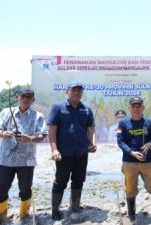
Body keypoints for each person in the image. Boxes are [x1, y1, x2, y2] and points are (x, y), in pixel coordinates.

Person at [0, 88, 47, 224]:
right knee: (0, 190)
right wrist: (3, 133)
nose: (25, 99)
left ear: (32, 100)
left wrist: (31, 138)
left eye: (29, 97)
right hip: (6, 159)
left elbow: (42, 135)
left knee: (25, 190)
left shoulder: (38, 116)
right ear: (18, 97)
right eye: (23, 96)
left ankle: (24, 216)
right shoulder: (6, 112)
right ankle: (0, 218)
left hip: (26, 161)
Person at [47, 82, 97, 220]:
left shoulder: (86, 109)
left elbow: (91, 129)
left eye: (79, 90)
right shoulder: (57, 108)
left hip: (82, 152)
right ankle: (55, 210)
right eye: (74, 90)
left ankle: (75, 206)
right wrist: (54, 149)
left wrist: (93, 143)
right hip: (64, 154)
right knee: (60, 182)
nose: (76, 93)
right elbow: (52, 130)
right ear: (67, 91)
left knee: (79, 180)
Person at [117, 96, 151, 222]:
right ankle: (131, 214)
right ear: (129, 108)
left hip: (147, 161)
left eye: (139, 105)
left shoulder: (148, 122)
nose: (136, 108)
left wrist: (150, 144)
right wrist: (132, 153)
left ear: (143, 107)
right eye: (133, 106)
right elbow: (120, 142)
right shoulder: (122, 123)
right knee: (130, 189)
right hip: (129, 161)